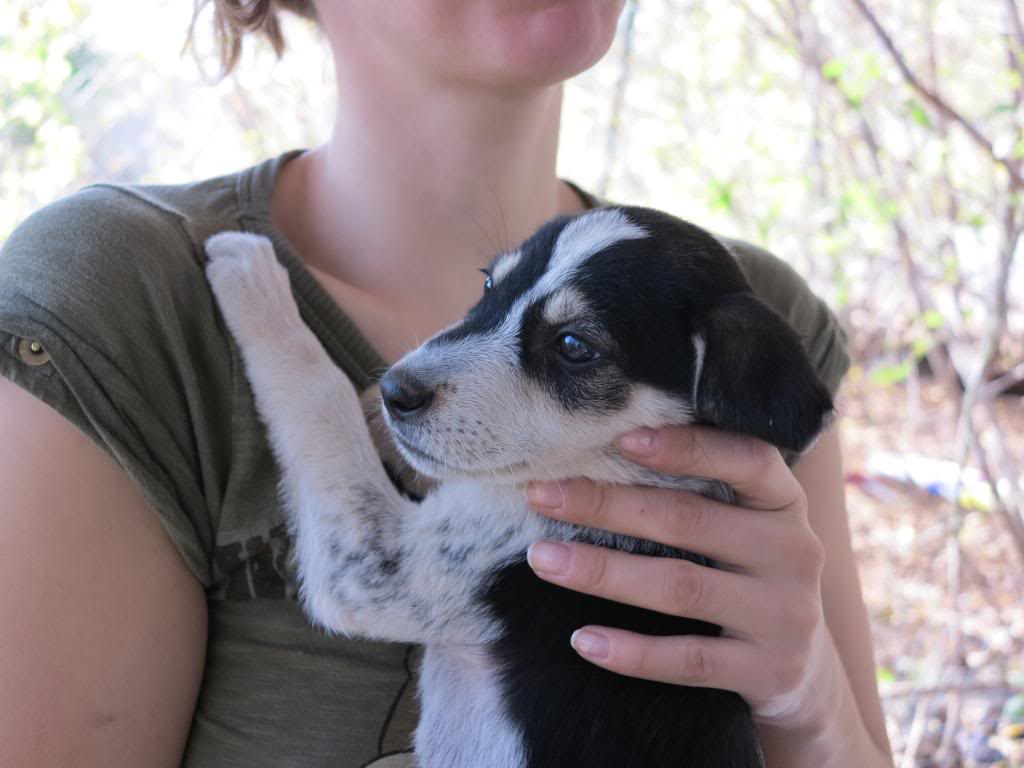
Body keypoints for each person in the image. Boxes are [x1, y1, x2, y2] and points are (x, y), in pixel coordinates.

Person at [0, 1, 894, 766]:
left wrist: (811, 698)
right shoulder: (120, 297)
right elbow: (371, 581)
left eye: (576, 350)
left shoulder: (744, 320)